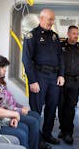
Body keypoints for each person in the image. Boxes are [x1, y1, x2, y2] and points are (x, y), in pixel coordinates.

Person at [22, 8, 64, 147]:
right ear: (41, 19)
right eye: (49, 20)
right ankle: (37, 138)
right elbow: (26, 60)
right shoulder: (31, 36)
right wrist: (32, 80)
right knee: (36, 110)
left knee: (52, 108)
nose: (51, 22)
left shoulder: (55, 37)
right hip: (38, 76)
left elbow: (60, 57)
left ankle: (47, 134)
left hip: (53, 77)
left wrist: (61, 75)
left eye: (53, 20)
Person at [0, 55, 46, 149]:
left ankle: (36, 143)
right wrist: (20, 111)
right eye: (2, 67)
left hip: (12, 112)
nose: (5, 70)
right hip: (4, 117)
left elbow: (11, 101)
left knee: (36, 116)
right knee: (31, 123)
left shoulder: (1, 84)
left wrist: (21, 107)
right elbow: (2, 107)